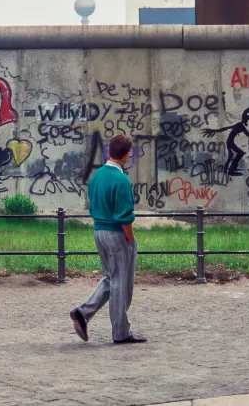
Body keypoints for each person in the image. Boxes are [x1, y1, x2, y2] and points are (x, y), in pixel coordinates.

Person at [69, 134, 146, 344]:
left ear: (110, 151)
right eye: (130, 151)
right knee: (121, 282)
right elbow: (124, 216)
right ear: (127, 154)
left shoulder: (97, 176)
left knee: (112, 278)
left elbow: (94, 205)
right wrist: (130, 240)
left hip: (99, 231)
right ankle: (120, 333)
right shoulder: (121, 179)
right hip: (117, 234)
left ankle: (83, 313)